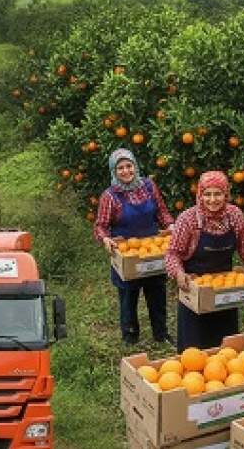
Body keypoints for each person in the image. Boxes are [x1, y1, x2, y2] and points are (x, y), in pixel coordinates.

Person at [165, 170, 244, 351]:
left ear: (226, 194)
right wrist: (178, 273)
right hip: (194, 289)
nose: (212, 200)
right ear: (200, 195)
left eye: (218, 194)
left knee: (225, 347)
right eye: (207, 194)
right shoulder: (188, 220)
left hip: (226, 291)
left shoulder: (234, 216)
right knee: (194, 350)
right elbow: (173, 253)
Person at [94, 148, 174, 345]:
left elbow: (162, 212)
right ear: (114, 171)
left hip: (153, 249)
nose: (125, 171)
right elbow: (100, 226)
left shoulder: (148, 186)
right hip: (127, 254)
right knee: (128, 296)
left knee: (157, 293)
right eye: (120, 168)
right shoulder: (110, 196)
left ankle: (161, 333)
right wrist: (105, 239)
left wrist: (170, 225)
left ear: (135, 166)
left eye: (129, 166)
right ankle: (130, 336)